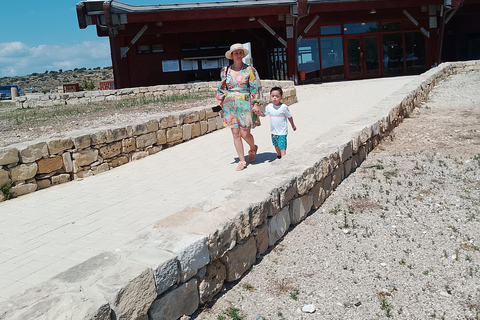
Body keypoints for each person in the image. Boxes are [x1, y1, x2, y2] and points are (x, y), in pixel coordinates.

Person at [216, 43, 263, 171]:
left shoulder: (250, 70)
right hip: (229, 104)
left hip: (245, 103)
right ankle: (242, 161)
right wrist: (220, 101)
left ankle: (253, 148)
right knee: (235, 133)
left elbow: (256, 87)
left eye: (240, 52)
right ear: (231, 55)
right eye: (236, 53)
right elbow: (222, 88)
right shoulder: (225, 70)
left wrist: (256, 103)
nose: (238, 55)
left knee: (245, 133)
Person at [259, 86, 296, 159]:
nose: (275, 98)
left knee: (282, 146)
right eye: (273, 96)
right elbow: (263, 114)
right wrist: (258, 113)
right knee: (276, 145)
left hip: (282, 132)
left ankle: (284, 159)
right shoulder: (269, 106)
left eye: (277, 96)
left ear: (281, 97)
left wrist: (293, 125)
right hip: (274, 132)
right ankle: (279, 156)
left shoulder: (284, 107)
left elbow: (289, 116)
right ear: (270, 97)